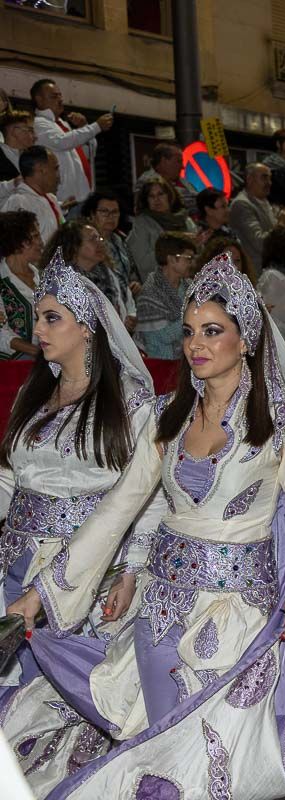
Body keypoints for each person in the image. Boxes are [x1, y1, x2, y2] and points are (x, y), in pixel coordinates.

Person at [7, 253, 285, 799]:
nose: (196, 344)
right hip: (159, 618)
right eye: (189, 332)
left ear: (248, 338)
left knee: (222, 769)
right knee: (166, 760)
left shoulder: (282, 425)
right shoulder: (167, 416)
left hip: (237, 621)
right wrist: (46, 592)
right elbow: (118, 508)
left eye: (213, 331)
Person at [0, 253, 164, 793]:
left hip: (80, 580)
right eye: (37, 318)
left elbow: (146, 495)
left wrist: (132, 570)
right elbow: (13, 479)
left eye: (52, 318)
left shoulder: (130, 402)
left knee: (50, 709)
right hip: (14, 562)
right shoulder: (35, 394)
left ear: (87, 326)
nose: (39, 330)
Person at [41, 219, 136, 332]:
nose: (100, 243)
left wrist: (130, 316)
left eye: (99, 238)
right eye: (93, 239)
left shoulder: (111, 274)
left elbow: (129, 304)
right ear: (74, 247)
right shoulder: (62, 283)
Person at [30, 78, 112, 209]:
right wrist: (96, 126)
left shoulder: (63, 124)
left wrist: (84, 126)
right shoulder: (38, 123)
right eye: (54, 96)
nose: (60, 99)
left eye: (60, 95)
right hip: (66, 200)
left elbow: (89, 153)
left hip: (83, 197)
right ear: (39, 99)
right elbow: (63, 142)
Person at [135, 231, 194, 359]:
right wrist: (192, 313)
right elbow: (163, 336)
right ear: (172, 259)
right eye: (188, 258)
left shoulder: (190, 287)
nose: (191, 263)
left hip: (185, 360)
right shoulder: (150, 293)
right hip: (159, 361)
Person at [126, 176, 196, 284]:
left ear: (169, 195)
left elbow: (197, 258)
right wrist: (175, 246)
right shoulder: (142, 224)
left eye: (160, 194)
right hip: (158, 286)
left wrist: (198, 244)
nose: (156, 199)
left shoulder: (185, 220)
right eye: (151, 196)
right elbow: (143, 264)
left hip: (190, 283)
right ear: (146, 200)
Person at [0, 210, 43, 360]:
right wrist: (38, 353)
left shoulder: (42, 276)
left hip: (42, 362)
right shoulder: (2, 282)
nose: (41, 242)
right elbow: (1, 335)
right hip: (10, 368)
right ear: (18, 242)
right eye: (36, 236)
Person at [82, 189, 137, 301]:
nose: (110, 216)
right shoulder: (84, 242)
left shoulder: (119, 239)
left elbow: (131, 271)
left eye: (114, 212)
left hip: (126, 302)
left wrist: (135, 283)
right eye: (104, 211)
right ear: (92, 214)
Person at [1, 145, 62, 242]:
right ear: (41, 170)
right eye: (55, 168)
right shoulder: (18, 202)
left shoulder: (51, 199)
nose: (58, 175)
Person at [228, 163, 276, 280]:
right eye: (264, 177)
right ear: (249, 179)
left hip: (269, 271)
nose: (269, 182)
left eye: (270, 178)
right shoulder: (242, 204)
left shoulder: (264, 201)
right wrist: (282, 225)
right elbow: (260, 243)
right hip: (254, 273)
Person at [133, 142, 195, 213]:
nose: (182, 166)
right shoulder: (146, 181)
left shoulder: (183, 181)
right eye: (178, 161)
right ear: (164, 161)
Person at [0, 110, 36, 206]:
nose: (35, 136)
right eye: (30, 130)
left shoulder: (28, 157)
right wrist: (13, 184)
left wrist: (58, 205)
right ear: (15, 131)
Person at [192, 186, 237, 250]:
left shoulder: (228, 231)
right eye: (223, 206)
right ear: (209, 210)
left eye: (228, 205)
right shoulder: (200, 236)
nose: (228, 210)